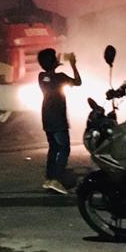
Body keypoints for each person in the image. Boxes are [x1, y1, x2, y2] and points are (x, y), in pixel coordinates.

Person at [37, 48, 81, 195]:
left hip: (47, 117)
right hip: (58, 118)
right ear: (53, 62)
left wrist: (55, 64)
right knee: (64, 148)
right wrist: (73, 64)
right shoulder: (60, 77)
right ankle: (56, 178)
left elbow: (50, 75)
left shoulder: (41, 76)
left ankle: (49, 178)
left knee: (53, 148)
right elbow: (78, 82)